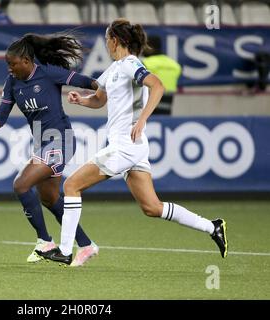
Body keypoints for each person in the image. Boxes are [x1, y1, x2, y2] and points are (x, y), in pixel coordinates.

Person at [37, 19, 228, 265]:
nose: (105, 43)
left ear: (115, 40)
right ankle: (213, 227)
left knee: (71, 186)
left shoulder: (130, 64)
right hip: (133, 148)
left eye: (107, 38)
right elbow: (99, 99)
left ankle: (64, 250)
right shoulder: (114, 70)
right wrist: (81, 99)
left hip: (125, 146)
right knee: (152, 207)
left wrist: (142, 121)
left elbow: (157, 86)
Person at [0, 32, 100, 266]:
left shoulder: (48, 73)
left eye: (12, 64)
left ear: (26, 61)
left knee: (21, 184)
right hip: (42, 143)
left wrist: (101, 91)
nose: (9, 69)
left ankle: (45, 241)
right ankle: (86, 245)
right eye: (7, 65)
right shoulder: (12, 82)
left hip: (61, 139)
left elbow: (87, 82)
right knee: (50, 198)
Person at [142, 35, 181, 115]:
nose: (142, 49)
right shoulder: (174, 65)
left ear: (150, 47)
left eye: (144, 46)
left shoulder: (145, 63)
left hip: (148, 107)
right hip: (167, 107)